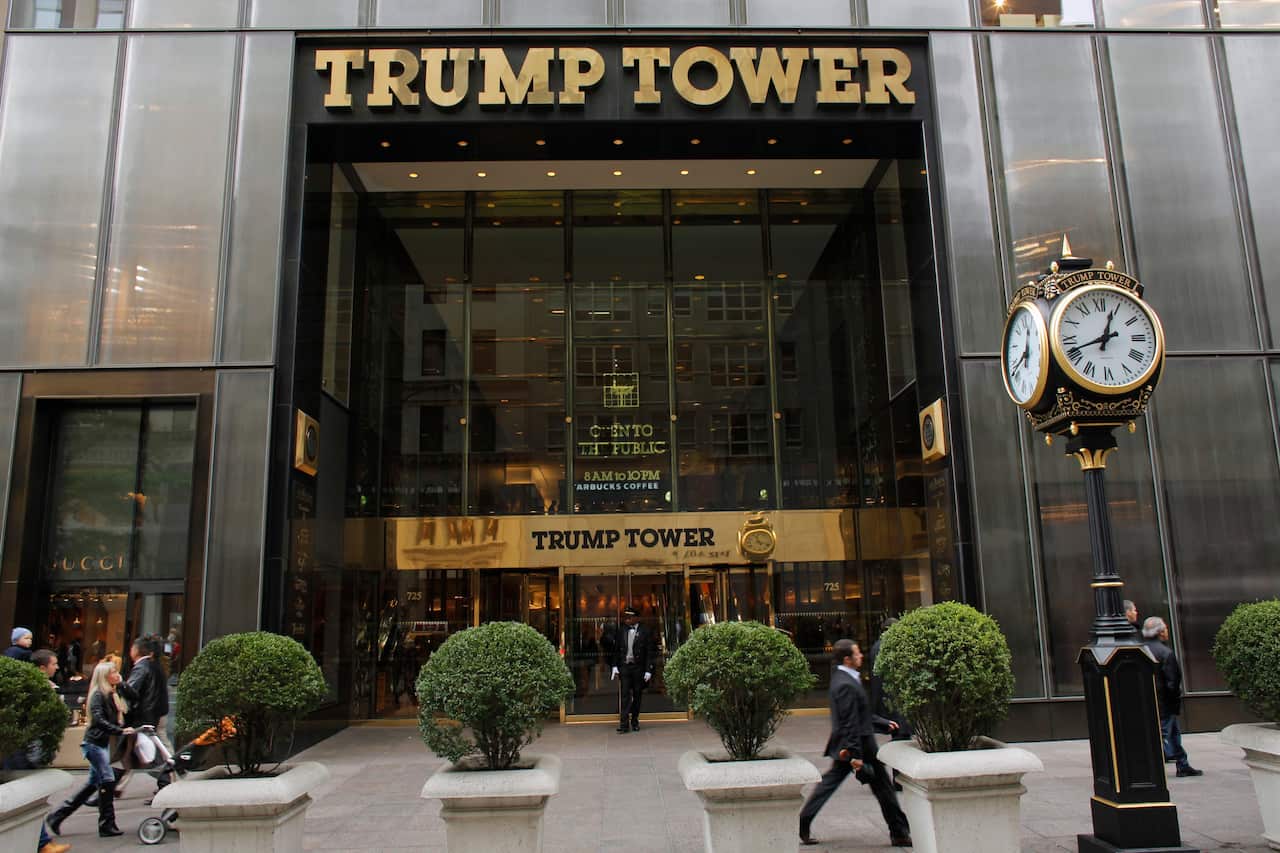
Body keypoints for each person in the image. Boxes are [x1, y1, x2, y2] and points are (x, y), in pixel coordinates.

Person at [799, 639, 911, 848]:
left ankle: (899, 832)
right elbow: (849, 721)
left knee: (872, 787)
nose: (861, 656)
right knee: (883, 788)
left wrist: (883, 723)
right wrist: (856, 754)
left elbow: (860, 714)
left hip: (856, 743)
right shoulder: (845, 684)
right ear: (847, 659)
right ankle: (899, 832)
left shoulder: (847, 679)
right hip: (857, 744)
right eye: (857, 653)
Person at [46, 660, 134, 839]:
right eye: (113, 672)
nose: (117, 674)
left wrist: (122, 685)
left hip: (101, 743)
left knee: (94, 783)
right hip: (94, 744)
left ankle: (58, 816)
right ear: (105, 676)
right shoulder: (98, 695)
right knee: (107, 780)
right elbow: (99, 721)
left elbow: (133, 699)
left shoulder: (112, 694)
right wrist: (120, 731)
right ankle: (106, 824)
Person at [1142, 616, 1202, 778]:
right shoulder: (1165, 653)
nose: (1167, 631)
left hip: (1148, 702)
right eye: (1165, 629)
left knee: (1173, 734)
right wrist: (1174, 702)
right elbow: (1172, 682)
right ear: (1161, 632)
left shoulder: (1140, 650)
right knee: (1164, 735)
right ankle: (1159, 767)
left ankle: (1183, 764)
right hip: (1164, 703)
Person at [122, 635, 172, 797]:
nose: (130, 650)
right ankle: (170, 777)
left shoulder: (142, 667)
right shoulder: (156, 666)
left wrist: (119, 684)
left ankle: (168, 779)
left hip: (146, 716)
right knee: (156, 748)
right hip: (157, 713)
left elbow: (132, 690)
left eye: (133, 647)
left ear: (138, 650)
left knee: (147, 751)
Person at [609, 606, 656, 733]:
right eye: (626, 617)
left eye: (630, 617)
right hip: (625, 667)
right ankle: (624, 724)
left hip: (638, 667)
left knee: (637, 695)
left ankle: (634, 721)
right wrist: (614, 666)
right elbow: (616, 649)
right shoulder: (622, 630)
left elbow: (649, 652)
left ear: (636, 618)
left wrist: (648, 670)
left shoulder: (645, 631)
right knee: (624, 695)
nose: (627, 619)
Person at [867, 617, 911, 742]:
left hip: (886, 695)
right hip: (892, 695)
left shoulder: (878, 645)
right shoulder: (887, 646)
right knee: (900, 729)